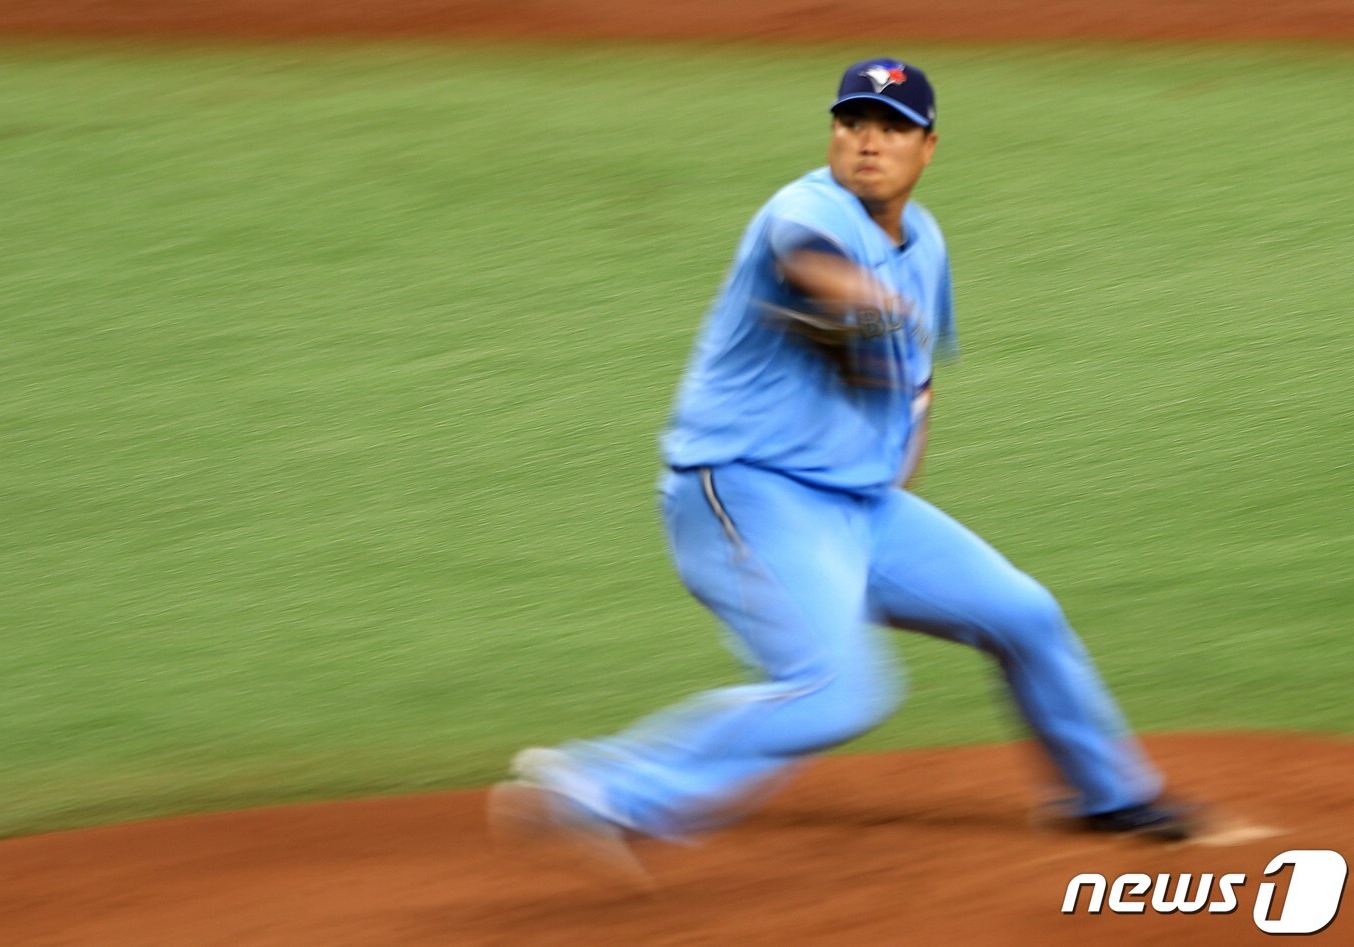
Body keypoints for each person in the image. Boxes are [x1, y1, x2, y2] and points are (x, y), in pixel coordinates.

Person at [489, 57, 1192, 887]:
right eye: (854, 121)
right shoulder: (806, 208)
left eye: (892, 127)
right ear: (833, 132)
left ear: (928, 147)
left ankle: (1106, 794)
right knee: (835, 690)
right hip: (746, 490)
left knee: (1023, 612)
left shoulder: (925, 242)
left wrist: (896, 467)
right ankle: (601, 784)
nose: (868, 141)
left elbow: (918, 387)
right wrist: (863, 304)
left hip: (858, 506)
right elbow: (806, 264)